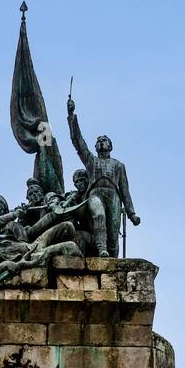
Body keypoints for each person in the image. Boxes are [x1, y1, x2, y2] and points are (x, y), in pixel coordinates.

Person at [67, 97, 139, 257]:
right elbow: (78, 142)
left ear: (110, 146)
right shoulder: (91, 161)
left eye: (104, 140)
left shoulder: (119, 165)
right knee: (99, 216)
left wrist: (131, 213)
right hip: (95, 194)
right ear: (95, 147)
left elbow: (125, 191)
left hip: (114, 196)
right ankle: (101, 249)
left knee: (113, 231)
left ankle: (112, 258)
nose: (101, 142)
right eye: (98, 141)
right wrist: (71, 117)